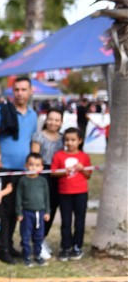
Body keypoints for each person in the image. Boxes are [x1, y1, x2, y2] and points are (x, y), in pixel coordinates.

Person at [0, 76, 38, 264]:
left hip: (23, 170)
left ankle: (9, 244)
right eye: (16, 90)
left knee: (17, 210)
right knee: (4, 211)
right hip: (4, 169)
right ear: (12, 91)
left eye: (24, 90)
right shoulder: (1, 110)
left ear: (30, 91)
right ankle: (2, 248)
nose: (20, 93)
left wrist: (34, 165)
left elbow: (32, 139)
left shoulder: (33, 115)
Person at [51, 127, 91, 262]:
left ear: (79, 141)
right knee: (66, 222)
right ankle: (65, 247)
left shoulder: (84, 157)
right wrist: (64, 171)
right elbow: (53, 172)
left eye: (73, 140)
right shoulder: (59, 155)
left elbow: (88, 175)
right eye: (67, 140)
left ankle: (77, 246)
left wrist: (82, 169)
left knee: (79, 221)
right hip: (64, 193)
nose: (70, 143)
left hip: (81, 193)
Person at [30, 108, 64, 259]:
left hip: (58, 175)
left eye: (57, 120)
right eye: (51, 119)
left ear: (61, 122)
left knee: (52, 208)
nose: (53, 123)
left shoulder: (63, 138)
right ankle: (36, 241)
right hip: (42, 175)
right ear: (46, 120)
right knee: (41, 209)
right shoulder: (38, 136)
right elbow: (34, 157)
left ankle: (42, 238)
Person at [15, 153, 50, 267]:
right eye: (31, 164)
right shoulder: (23, 180)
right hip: (26, 213)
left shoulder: (42, 181)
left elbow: (46, 197)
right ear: (26, 165)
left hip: (40, 213)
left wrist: (47, 211)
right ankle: (26, 256)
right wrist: (19, 212)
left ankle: (38, 255)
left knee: (38, 236)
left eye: (37, 165)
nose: (33, 167)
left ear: (41, 167)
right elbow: (18, 197)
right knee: (26, 235)